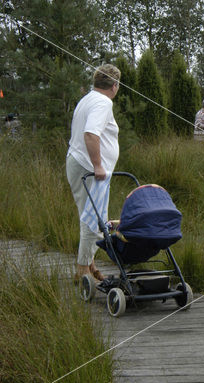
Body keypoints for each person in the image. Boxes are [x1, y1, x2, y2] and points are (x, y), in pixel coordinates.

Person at [66, 64, 121, 282]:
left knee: (89, 217)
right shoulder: (103, 102)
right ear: (115, 85)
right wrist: (99, 165)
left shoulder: (88, 98)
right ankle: (82, 271)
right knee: (95, 222)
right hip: (89, 169)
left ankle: (90, 266)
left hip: (78, 163)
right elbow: (90, 134)